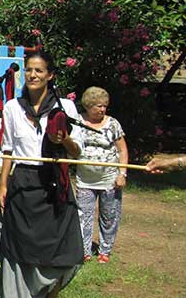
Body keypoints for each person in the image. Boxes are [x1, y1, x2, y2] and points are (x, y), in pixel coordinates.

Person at [0, 51, 84, 298]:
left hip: (55, 182)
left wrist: (64, 139)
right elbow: (8, 148)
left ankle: (50, 293)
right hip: (23, 182)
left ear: (50, 75)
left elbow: (77, 151)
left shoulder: (64, 106)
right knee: (20, 248)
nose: (32, 75)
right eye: (29, 70)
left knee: (61, 250)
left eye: (39, 71)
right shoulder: (13, 107)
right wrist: (3, 184)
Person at [75, 87, 128, 264]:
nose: (102, 109)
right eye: (98, 106)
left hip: (109, 180)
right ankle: (84, 250)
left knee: (109, 215)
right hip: (85, 180)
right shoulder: (77, 121)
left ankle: (105, 250)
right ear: (88, 106)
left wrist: (122, 174)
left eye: (105, 106)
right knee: (83, 216)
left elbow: (122, 149)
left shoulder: (112, 124)